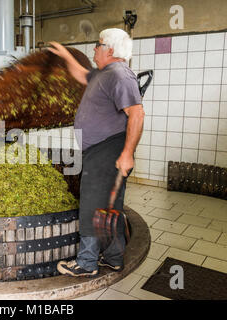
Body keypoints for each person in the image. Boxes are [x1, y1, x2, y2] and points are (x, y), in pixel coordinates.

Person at [48, 28, 145, 277]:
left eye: (97, 45)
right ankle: (113, 258)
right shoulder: (104, 74)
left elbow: (136, 113)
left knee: (92, 206)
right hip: (99, 150)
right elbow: (81, 75)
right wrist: (65, 55)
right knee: (107, 206)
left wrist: (128, 153)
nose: (94, 49)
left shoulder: (120, 75)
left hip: (108, 149)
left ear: (110, 50)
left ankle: (87, 263)